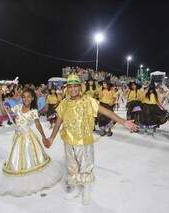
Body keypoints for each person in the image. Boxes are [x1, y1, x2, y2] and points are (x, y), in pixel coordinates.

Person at [45, 74, 138, 205]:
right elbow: (59, 121)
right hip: (68, 140)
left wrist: (123, 122)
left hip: (84, 141)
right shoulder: (64, 103)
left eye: (75, 86)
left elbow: (106, 112)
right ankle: (76, 188)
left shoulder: (88, 101)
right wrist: (51, 138)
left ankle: (86, 190)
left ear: (80, 87)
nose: (73, 89)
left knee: (86, 166)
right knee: (72, 167)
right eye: (70, 87)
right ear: (67, 89)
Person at [0, 88, 62, 196]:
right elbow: (4, 112)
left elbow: (38, 124)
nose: (26, 99)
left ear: (32, 98)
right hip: (17, 138)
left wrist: (44, 137)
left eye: (29, 96)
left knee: (31, 158)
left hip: (28, 138)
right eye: (24, 96)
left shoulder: (33, 111)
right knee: (17, 161)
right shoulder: (18, 107)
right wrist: (0, 100)